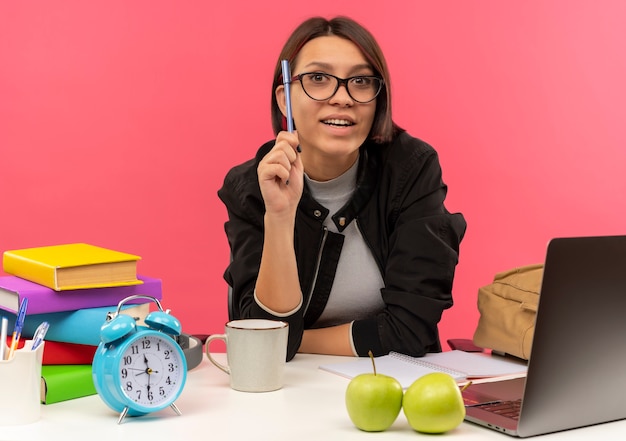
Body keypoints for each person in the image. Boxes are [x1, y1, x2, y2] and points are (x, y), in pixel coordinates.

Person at [218, 16, 466, 361]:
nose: (342, 97)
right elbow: (263, 338)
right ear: (285, 99)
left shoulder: (410, 169)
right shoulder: (251, 186)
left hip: (394, 384)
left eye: (361, 81)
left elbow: (410, 331)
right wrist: (279, 215)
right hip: (290, 393)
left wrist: (295, 340)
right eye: (318, 78)